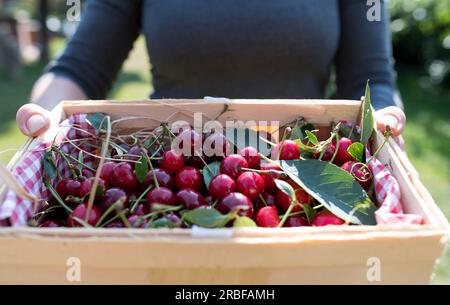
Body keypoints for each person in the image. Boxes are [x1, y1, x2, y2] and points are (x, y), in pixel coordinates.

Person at [16, 0, 406, 147]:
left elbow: (371, 82)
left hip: (307, 188)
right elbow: (77, 69)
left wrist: (384, 121)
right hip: (166, 188)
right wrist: (47, 116)